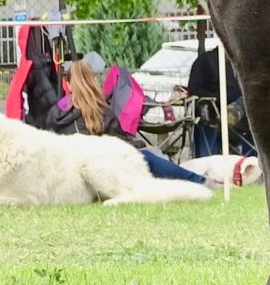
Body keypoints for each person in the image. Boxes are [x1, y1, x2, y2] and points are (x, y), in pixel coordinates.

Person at [46, 55, 214, 189]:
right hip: (105, 165)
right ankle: (199, 181)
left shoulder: (55, 114)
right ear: (93, 80)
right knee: (146, 156)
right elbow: (122, 144)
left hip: (71, 170)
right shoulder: (101, 111)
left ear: (67, 83)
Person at [185, 45, 251, 158]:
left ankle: (236, 110)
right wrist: (219, 99)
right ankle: (233, 111)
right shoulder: (205, 61)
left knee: (251, 99)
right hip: (214, 113)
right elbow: (194, 90)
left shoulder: (246, 61)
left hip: (245, 117)